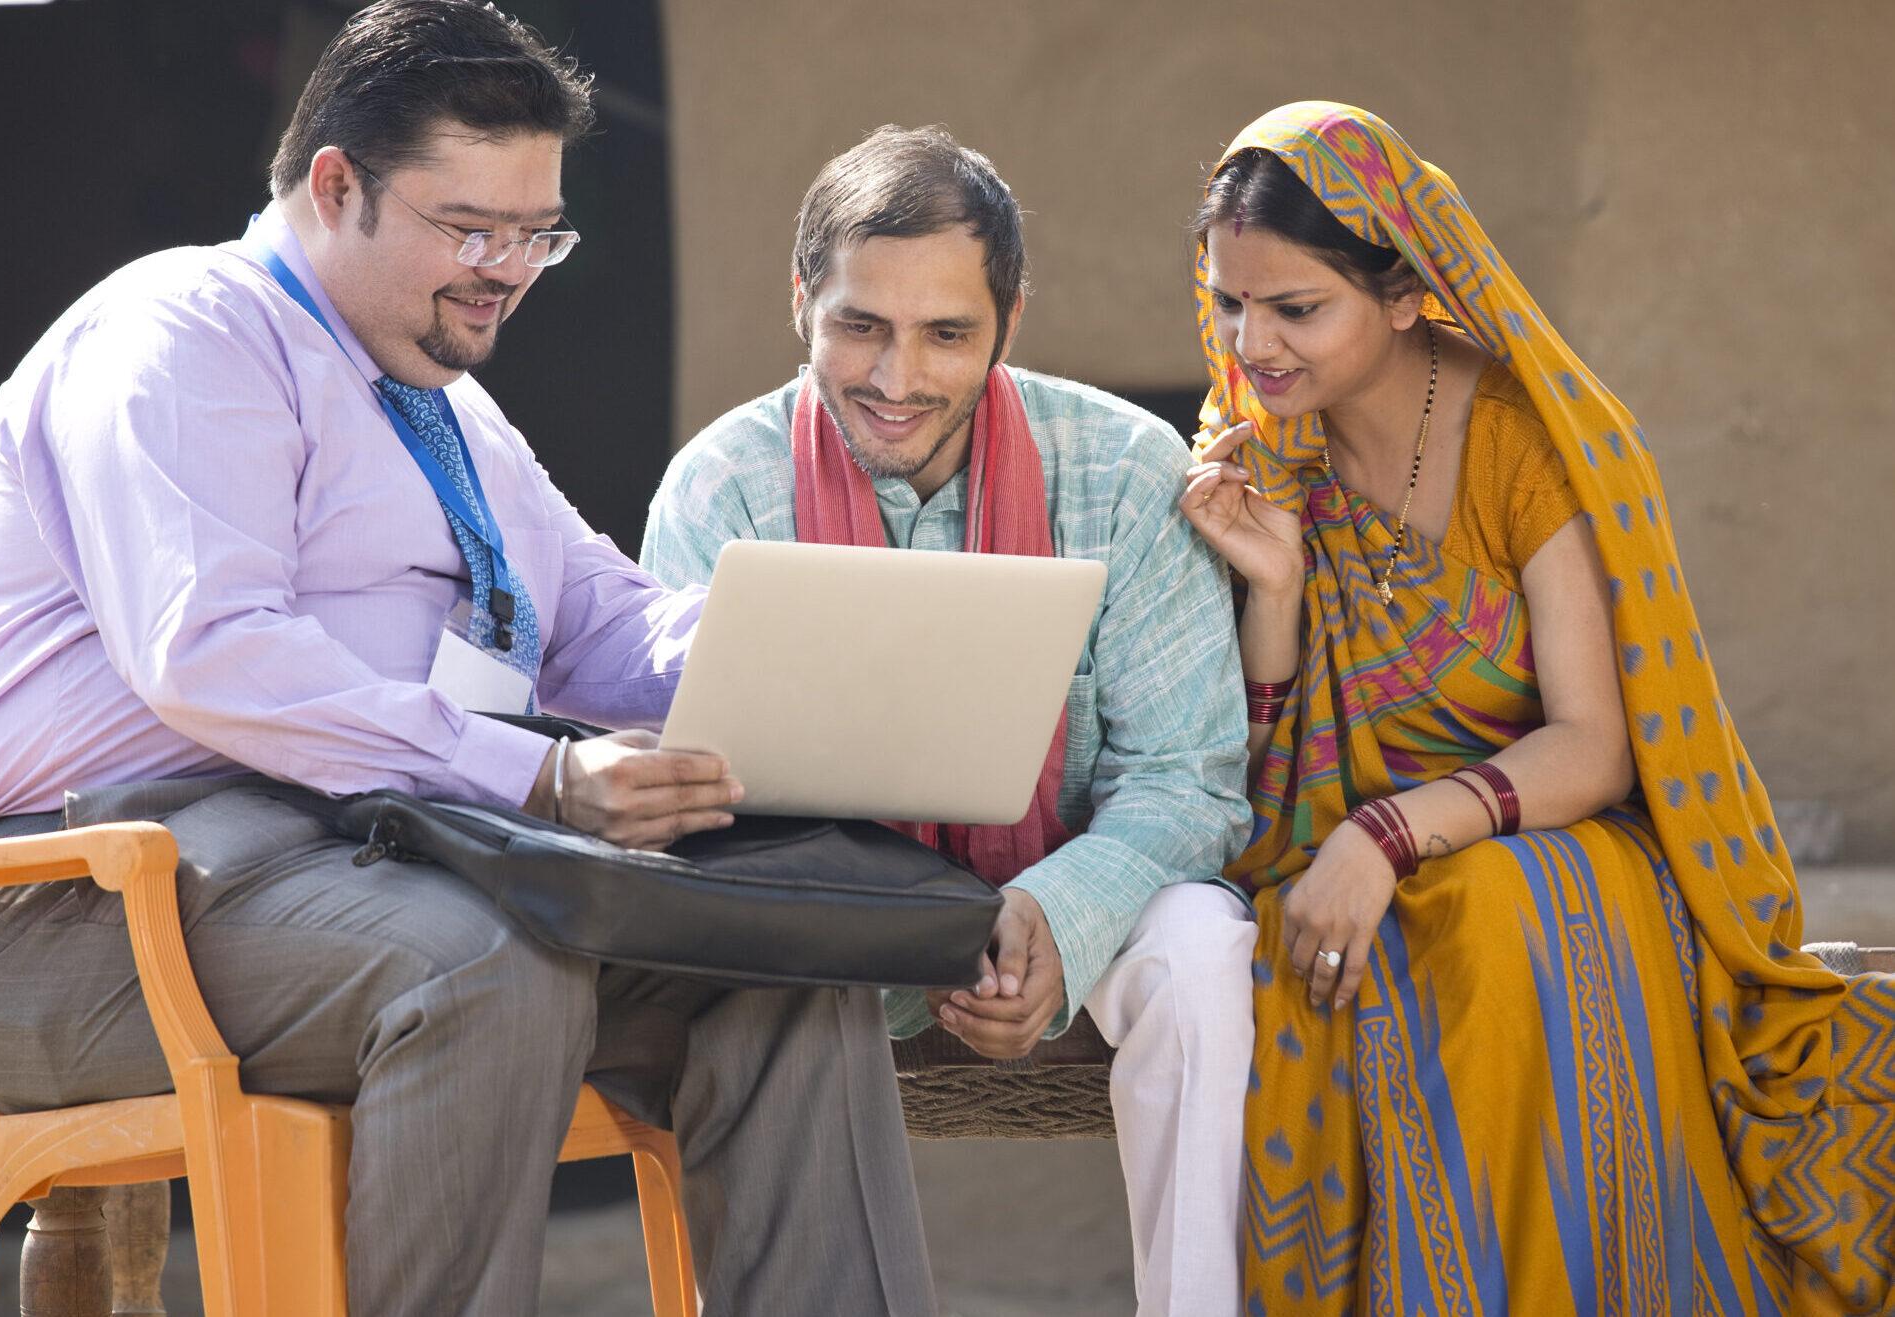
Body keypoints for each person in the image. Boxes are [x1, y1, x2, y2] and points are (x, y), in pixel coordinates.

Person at [0, 5, 938, 1312]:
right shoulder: (179, 341)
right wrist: (541, 784)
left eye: (535, 235)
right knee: (474, 965)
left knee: (777, 961)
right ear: (335, 184)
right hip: (77, 913)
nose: (505, 269)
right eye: (468, 228)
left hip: (354, 868)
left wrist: (831, 662)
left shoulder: (443, 405)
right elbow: (212, 656)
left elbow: (599, 625)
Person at [1180, 101, 1893, 1314]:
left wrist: (1385, 835)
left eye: (1295, 309)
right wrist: (1277, 589)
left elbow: (1593, 743)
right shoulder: (1249, 456)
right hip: (1321, 851)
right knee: (1313, 959)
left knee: (1501, 923)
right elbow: (1253, 773)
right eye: (1228, 301)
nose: (1252, 344)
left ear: (1403, 294)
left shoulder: (1523, 442)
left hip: (1539, 833)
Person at [642, 125, 1256, 1315]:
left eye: (947, 334)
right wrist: (883, 921)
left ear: (1010, 322)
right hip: (815, 940)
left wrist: (1056, 916)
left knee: (1197, 949)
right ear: (800, 302)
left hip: (1075, 905)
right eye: (858, 325)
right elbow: (689, 807)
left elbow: (1188, 779)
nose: (896, 376)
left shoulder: (1124, 473)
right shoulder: (720, 488)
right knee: (731, 971)